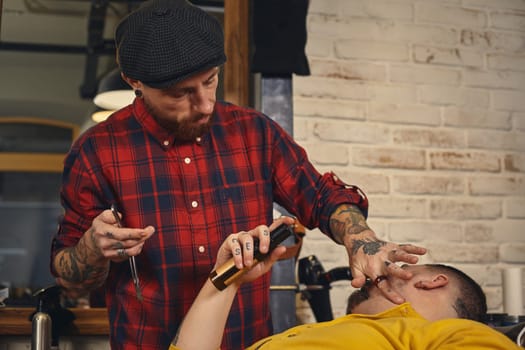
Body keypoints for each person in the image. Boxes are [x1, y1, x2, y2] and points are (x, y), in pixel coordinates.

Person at [50, 1, 426, 349]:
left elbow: (321, 196)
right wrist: (91, 249)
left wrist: (361, 241)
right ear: (135, 81)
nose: (205, 103)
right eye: (181, 93)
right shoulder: (95, 152)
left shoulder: (254, 133)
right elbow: (70, 277)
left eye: (210, 81)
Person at [172, 217, 520, 350]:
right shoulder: (335, 332)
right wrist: (229, 278)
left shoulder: (431, 334)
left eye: (400, 267)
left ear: (430, 283)